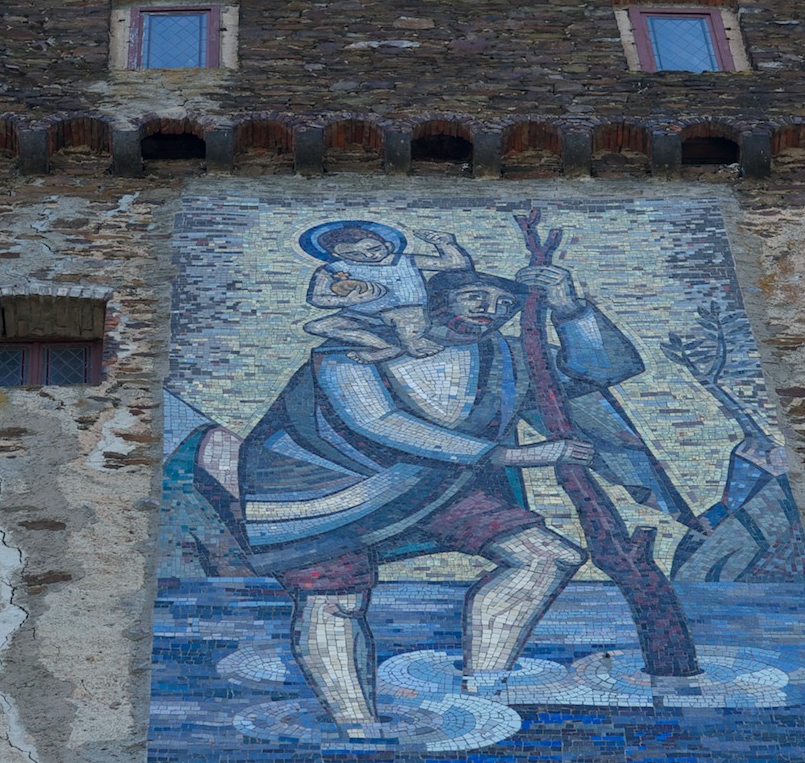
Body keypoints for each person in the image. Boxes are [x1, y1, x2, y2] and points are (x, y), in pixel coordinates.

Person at [235, 264, 670, 735]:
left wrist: (569, 308)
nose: (491, 311)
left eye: (504, 304)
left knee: (547, 556)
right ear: (432, 297)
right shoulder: (353, 348)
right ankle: (359, 728)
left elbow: (602, 370)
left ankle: (483, 691)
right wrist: (513, 456)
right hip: (317, 491)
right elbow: (378, 423)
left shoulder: (504, 354)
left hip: (432, 488)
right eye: (476, 296)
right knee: (336, 600)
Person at [299, 220, 472, 363]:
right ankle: (384, 347)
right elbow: (316, 298)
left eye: (373, 249)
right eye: (353, 254)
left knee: (409, 330)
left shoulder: (404, 260)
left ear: (388, 245)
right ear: (337, 255)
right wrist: (351, 300)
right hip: (358, 314)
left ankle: (414, 341)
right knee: (316, 326)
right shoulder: (333, 269)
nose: (368, 256)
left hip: (405, 311)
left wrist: (445, 243)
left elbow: (455, 264)